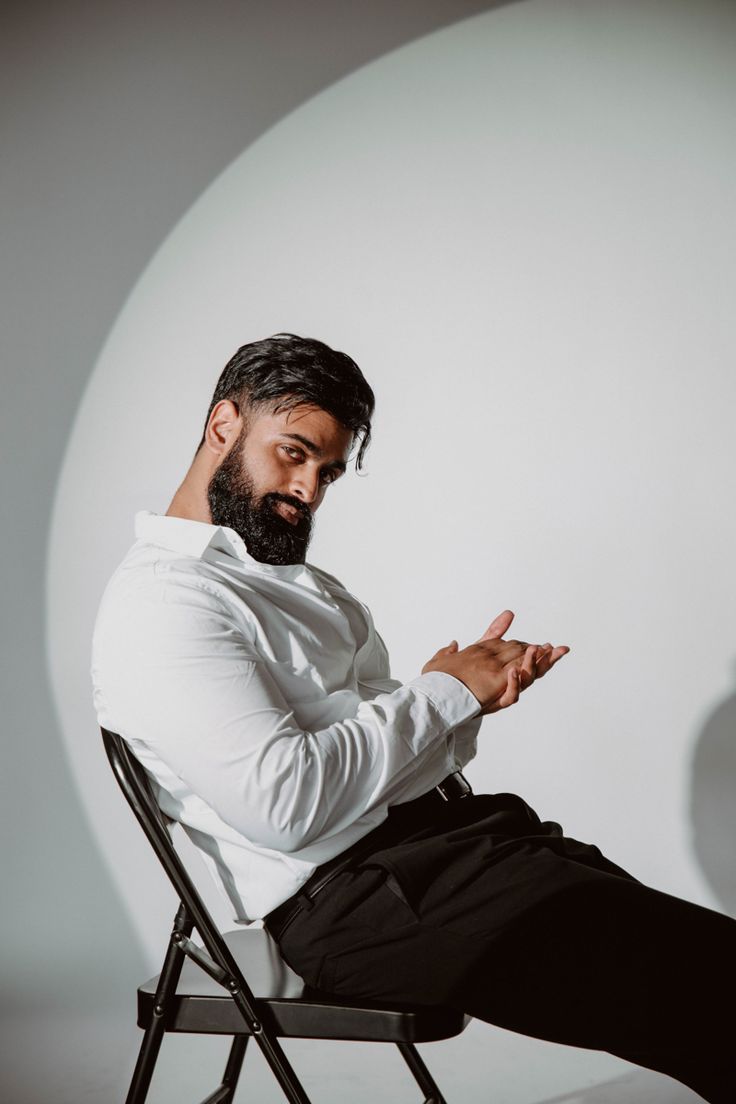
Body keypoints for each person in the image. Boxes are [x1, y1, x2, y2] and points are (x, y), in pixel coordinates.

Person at [92, 333, 735, 1103]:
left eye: (327, 471)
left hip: (453, 848)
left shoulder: (308, 587)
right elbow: (286, 805)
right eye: (293, 454)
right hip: (358, 903)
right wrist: (440, 695)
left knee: (707, 983)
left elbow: (404, 757)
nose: (309, 490)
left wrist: (465, 694)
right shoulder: (166, 602)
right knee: (708, 995)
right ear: (224, 426)